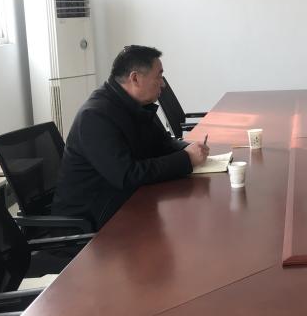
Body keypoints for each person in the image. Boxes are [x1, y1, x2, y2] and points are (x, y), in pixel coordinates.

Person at [54, 45, 209, 229]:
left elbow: (162, 143)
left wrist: (188, 148)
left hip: (126, 203)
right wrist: (186, 159)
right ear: (135, 78)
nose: (163, 84)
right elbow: (127, 175)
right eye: (159, 76)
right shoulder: (95, 117)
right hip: (92, 223)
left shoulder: (134, 104)